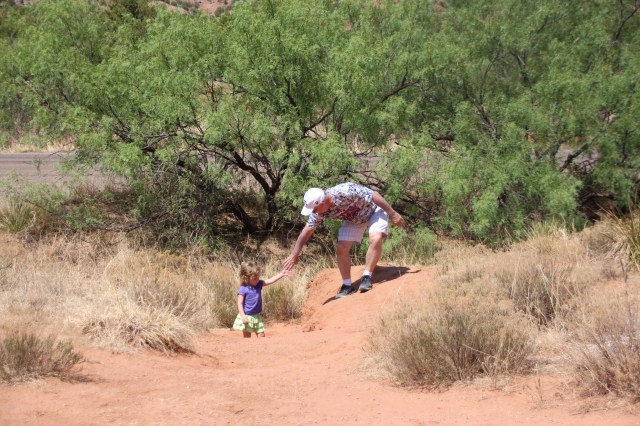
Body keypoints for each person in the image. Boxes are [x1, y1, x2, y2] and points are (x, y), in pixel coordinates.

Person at [283, 182, 404, 299]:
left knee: (376, 238)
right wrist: (294, 254)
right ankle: (347, 285)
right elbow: (308, 230)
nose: (313, 212)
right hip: (354, 219)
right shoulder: (319, 212)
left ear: (323, 203)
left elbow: (374, 195)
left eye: (314, 209)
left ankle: (367, 276)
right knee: (341, 248)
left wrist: (393, 213)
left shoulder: (345, 191)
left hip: (374, 210)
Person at [232, 261, 290, 338]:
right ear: (247, 277)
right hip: (247, 316)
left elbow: (270, 280)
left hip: (257, 316)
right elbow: (240, 303)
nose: (257, 280)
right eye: (255, 278)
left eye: (258, 277)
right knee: (247, 337)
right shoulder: (243, 289)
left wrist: (282, 274)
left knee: (261, 335)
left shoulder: (259, 284)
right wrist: (243, 316)